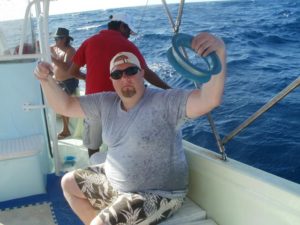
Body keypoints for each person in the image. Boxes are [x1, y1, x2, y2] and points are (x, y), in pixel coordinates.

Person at [34, 31, 226, 225]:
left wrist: (218, 53)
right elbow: (64, 106)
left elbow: (208, 99)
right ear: (111, 79)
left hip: (159, 193)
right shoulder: (105, 101)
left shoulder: (165, 101)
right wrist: (45, 80)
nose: (124, 77)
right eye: (117, 74)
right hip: (115, 183)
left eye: (131, 71)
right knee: (68, 183)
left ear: (142, 72)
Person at [68, 13, 170, 159]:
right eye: (129, 31)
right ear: (122, 26)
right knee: (118, 145)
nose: (129, 35)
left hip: (93, 103)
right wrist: (168, 89)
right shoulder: (128, 45)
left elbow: (71, 71)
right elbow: (146, 73)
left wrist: (87, 78)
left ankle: (96, 169)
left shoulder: (89, 41)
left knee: (93, 146)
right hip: (116, 105)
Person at [51, 27, 79, 139]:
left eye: (57, 38)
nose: (55, 41)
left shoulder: (70, 51)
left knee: (63, 103)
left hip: (69, 82)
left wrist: (51, 59)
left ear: (64, 39)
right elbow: (43, 48)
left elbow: (66, 67)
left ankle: (66, 130)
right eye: (55, 38)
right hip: (58, 82)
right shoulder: (56, 48)